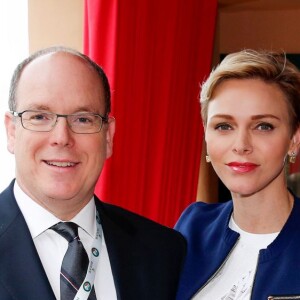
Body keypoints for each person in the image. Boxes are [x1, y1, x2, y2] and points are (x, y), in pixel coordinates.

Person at [1, 46, 186, 300]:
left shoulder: (163, 251)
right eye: (40, 117)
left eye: (83, 119)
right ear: (12, 132)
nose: (61, 138)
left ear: (108, 136)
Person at [175, 49, 300, 299]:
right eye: (224, 126)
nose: (241, 144)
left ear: (293, 141)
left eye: (263, 126)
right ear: (206, 136)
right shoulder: (193, 227)